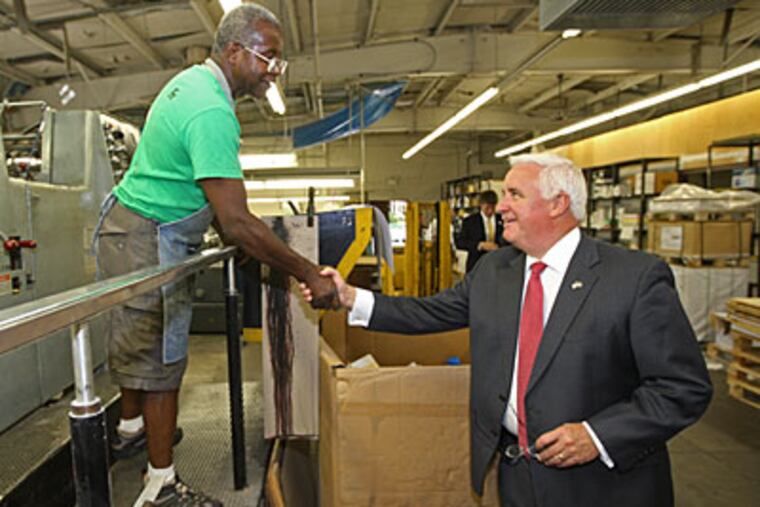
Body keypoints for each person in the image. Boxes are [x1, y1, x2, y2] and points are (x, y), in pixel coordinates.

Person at [303, 153, 712, 507]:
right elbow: (428, 313)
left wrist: (598, 435)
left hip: (604, 484)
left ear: (558, 204)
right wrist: (350, 297)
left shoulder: (634, 278)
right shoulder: (496, 270)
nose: (500, 207)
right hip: (517, 473)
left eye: (515, 194)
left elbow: (682, 387)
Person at [95, 4, 336, 506]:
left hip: (130, 227)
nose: (274, 69)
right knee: (164, 360)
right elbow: (238, 222)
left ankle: (131, 428)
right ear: (234, 51)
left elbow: (218, 211)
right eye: (268, 57)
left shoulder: (193, 82)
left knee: (140, 342)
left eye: (278, 60)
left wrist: (246, 249)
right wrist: (308, 271)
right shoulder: (211, 111)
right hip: (148, 236)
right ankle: (159, 484)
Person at [456, 189, 506, 272]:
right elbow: (461, 242)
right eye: (487, 208)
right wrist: (480, 245)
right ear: (481, 205)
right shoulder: (470, 221)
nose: (490, 211)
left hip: (498, 264)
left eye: (492, 207)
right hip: (476, 264)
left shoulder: (502, 219)